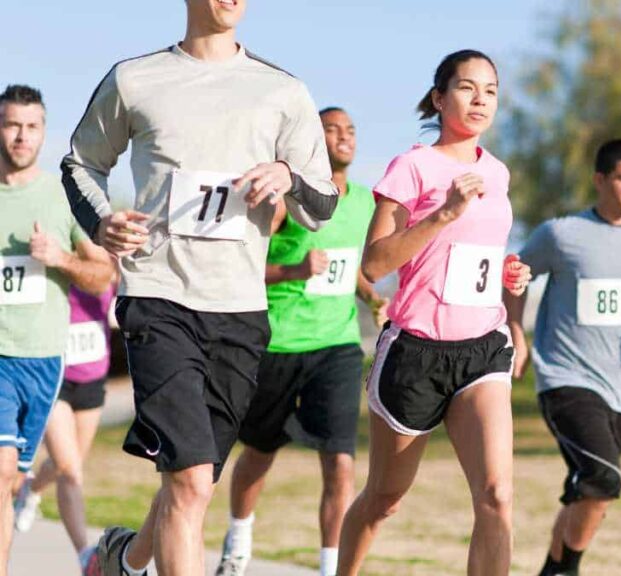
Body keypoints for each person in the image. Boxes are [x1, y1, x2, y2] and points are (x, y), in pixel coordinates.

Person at [61, 0, 338, 573]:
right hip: (158, 298)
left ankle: (122, 558)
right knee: (187, 481)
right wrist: (101, 222)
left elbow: (323, 203)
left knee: (195, 483)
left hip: (239, 308)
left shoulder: (282, 91)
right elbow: (81, 164)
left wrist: (287, 176)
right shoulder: (135, 78)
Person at [334, 49, 531, 576]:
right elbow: (374, 264)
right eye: (467, 88)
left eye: (490, 90)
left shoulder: (498, 173)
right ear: (440, 98)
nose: (480, 99)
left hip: (483, 348)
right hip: (415, 352)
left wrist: (510, 277)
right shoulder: (412, 166)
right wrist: (443, 213)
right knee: (383, 500)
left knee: (497, 496)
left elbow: (479, 257)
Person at [504, 139, 621, 576]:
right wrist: (516, 330)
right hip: (565, 378)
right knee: (604, 480)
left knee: (587, 492)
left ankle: (552, 571)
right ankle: (566, 570)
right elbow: (512, 272)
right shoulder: (561, 234)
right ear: (601, 180)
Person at [216, 106, 387, 576]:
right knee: (258, 454)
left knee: (341, 463)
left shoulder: (365, 203)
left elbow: (352, 268)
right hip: (278, 344)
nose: (345, 136)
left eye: (351, 129)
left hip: (337, 346)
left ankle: (331, 568)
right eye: (332, 129)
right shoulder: (287, 200)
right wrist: (293, 269)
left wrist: (373, 299)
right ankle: (238, 541)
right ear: (313, 139)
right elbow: (244, 263)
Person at [0, 84, 115, 576]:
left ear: (44, 132)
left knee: (12, 482)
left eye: (31, 126)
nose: (20, 136)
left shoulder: (60, 197)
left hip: (45, 359)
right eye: (11, 125)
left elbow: (103, 273)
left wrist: (60, 258)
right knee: (2, 471)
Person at [13, 277, 117, 572]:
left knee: (65, 466)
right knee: (70, 469)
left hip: (93, 379)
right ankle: (86, 555)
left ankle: (31, 490)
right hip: (54, 378)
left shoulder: (106, 268)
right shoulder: (55, 272)